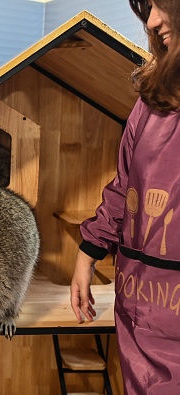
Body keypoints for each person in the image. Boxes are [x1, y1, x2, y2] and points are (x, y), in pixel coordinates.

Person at [70, 1, 180, 393]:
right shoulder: (151, 101)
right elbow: (125, 185)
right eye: (146, 7)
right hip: (137, 312)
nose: (150, 20)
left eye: (162, 3)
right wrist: (88, 250)